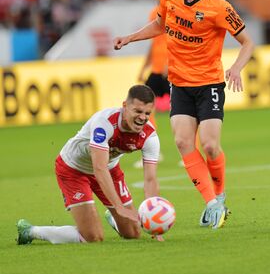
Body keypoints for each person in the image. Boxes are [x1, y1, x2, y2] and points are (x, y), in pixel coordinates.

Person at [113, 0, 255, 230]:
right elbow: (160, 25)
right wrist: (130, 38)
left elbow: (247, 42)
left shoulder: (220, 7)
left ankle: (220, 195)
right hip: (179, 83)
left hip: (210, 83)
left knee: (212, 146)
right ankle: (212, 203)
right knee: (182, 143)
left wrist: (236, 67)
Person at [16, 85, 162, 244]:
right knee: (93, 237)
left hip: (110, 170)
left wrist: (153, 219)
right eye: (138, 111)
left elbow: (150, 179)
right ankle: (30, 231)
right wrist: (119, 208)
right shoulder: (104, 123)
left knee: (133, 233)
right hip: (73, 169)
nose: (142, 118)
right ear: (125, 106)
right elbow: (99, 168)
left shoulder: (149, 136)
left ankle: (113, 218)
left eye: (147, 113)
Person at [133, 0, 173, 169]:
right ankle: (151, 151)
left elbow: (177, 39)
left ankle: (192, 152)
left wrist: (170, 61)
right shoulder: (154, 12)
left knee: (186, 112)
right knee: (144, 108)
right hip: (157, 69)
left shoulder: (175, 10)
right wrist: (144, 67)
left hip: (173, 68)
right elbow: (154, 42)